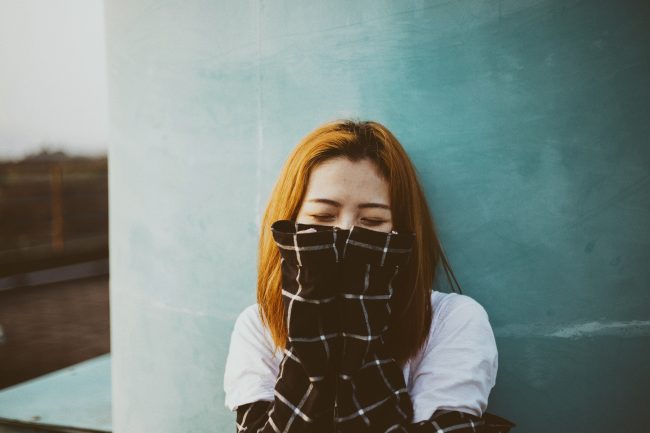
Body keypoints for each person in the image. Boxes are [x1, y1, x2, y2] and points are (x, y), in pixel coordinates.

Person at [223, 119, 516, 432]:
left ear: (400, 230)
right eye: (322, 216)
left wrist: (359, 314)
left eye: (373, 221)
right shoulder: (259, 327)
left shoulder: (452, 319)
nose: (346, 233)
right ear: (291, 218)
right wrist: (312, 321)